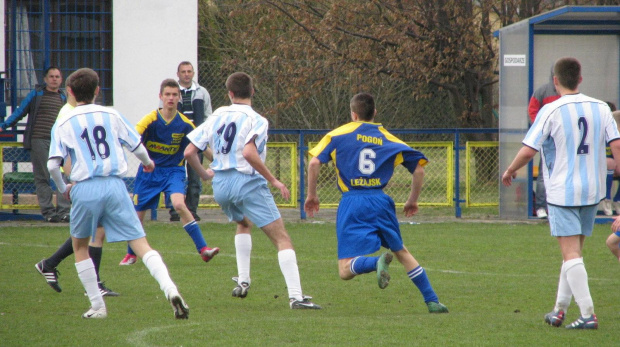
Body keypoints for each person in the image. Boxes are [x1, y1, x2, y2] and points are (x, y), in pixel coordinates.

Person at [48, 68, 189, 319]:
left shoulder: (64, 122)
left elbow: (52, 165)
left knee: (80, 246)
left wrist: (63, 188)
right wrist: (148, 162)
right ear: (97, 90)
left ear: (69, 92)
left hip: (85, 186)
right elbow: (136, 144)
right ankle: (170, 289)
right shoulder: (111, 114)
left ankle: (97, 306)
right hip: (115, 184)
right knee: (141, 244)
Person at [184, 72, 321, 309]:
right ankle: (296, 297)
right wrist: (274, 180)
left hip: (221, 186)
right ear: (253, 92)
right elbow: (248, 153)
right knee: (282, 239)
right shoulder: (257, 119)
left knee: (243, 222)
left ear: (230, 93)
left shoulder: (217, 114)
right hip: (246, 182)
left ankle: (244, 280)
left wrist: (206, 173)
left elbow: (188, 152)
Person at [502, 57, 620, 330]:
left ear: (555, 81)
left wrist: (510, 170)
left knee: (571, 255)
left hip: (563, 191)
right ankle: (559, 310)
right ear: (580, 79)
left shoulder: (551, 109)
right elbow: (616, 145)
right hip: (592, 191)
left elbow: (529, 149)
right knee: (574, 252)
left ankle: (588, 314)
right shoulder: (601, 108)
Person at [304, 92, 449, 314]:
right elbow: (418, 170)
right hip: (381, 201)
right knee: (402, 252)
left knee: (344, 270)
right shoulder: (390, 139)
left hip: (353, 202)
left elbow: (314, 163)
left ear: (353, 114)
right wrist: (412, 201)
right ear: (375, 113)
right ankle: (432, 300)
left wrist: (312, 195)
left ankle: (375, 263)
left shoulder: (338, 135)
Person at [118, 78, 219, 266]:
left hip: (174, 171)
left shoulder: (185, 123)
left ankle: (203, 249)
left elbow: (201, 145)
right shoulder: (151, 119)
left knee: (179, 204)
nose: (171, 98)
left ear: (179, 98)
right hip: (150, 172)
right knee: (138, 214)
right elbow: (133, 136)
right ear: (161, 96)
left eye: (174, 95)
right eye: (167, 94)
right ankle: (131, 254)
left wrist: (219, 162)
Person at [35, 71, 118, 296]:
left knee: (91, 231)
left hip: (86, 182)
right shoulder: (67, 114)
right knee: (93, 231)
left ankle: (50, 264)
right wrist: (71, 182)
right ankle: (93, 284)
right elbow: (64, 156)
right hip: (81, 182)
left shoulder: (77, 111)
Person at [0, 66, 71, 222]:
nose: (54, 79)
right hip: (39, 140)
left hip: (60, 143)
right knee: (43, 176)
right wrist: (4, 125)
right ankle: (48, 212)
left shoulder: (64, 97)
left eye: (57, 76)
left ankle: (64, 212)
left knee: (64, 175)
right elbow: (20, 111)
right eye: (51, 76)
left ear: (61, 79)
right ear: (45, 79)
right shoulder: (36, 94)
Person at [168, 61, 213, 222]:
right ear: (178, 74)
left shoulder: (202, 92)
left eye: (189, 71)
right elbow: (163, 112)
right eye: (183, 71)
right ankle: (175, 211)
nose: (186, 74)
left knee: (195, 177)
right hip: (176, 142)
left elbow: (208, 116)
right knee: (174, 175)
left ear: (193, 73)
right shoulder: (172, 92)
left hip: (197, 142)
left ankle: (192, 211)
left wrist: (204, 135)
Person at [528, 65, 561, 219]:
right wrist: (542, 128)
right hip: (548, 140)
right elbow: (532, 110)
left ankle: (558, 206)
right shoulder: (543, 91)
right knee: (544, 173)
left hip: (565, 140)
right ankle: (541, 206)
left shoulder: (570, 95)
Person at [602, 102, 619, 215]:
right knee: (609, 163)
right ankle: (606, 198)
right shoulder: (598, 127)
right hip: (599, 163)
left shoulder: (616, 129)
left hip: (614, 163)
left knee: (614, 164)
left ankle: (618, 200)